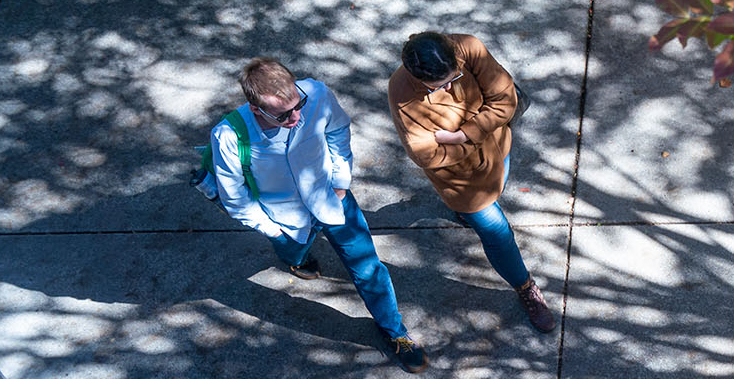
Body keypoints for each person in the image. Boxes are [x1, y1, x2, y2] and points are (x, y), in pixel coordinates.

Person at [210, 57, 427, 373]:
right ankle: (295, 258)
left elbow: (338, 130)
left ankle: (395, 332)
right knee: (293, 251)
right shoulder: (228, 137)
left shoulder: (317, 94)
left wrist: (341, 180)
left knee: (367, 267)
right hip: (284, 220)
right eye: (283, 114)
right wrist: (271, 229)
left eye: (299, 105)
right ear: (256, 109)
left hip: (332, 200)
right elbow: (235, 198)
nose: (297, 117)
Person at [387, 32, 556, 333]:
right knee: (498, 233)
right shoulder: (401, 92)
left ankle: (464, 215)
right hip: (462, 181)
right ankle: (525, 287)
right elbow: (426, 154)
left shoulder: (468, 47)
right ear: (416, 76)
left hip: (498, 147)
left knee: (500, 184)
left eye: (456, 77)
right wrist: (481, 126)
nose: (450, 87)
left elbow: (506, 100)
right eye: (439, 86)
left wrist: (462, 135)